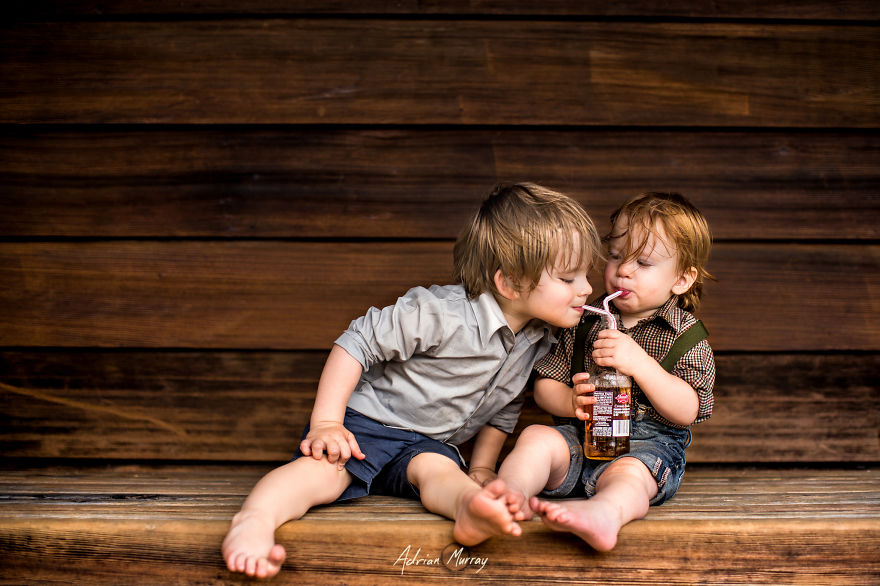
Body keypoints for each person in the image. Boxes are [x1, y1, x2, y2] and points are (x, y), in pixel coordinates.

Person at [221, 182, 602, 578]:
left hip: (428, 443)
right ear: (509, 283)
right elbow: (357, 343)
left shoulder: (536, 340)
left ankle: (470, 510)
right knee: (322, 475)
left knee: (441, 474)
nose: (587, 289)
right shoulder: (441, 313)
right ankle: (255, 521)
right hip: (368, 426)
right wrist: (327, 423)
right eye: (568, 278)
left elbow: (504, 407)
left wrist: (483, 467)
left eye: (585, 275)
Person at [486, 191, 716, 552]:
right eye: (615, 256)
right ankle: (509, 496)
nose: (623, 269)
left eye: (643, 262)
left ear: (682, 280)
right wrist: (570, 400)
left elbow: (688, 410)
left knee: (631, 475)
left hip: (645, 448)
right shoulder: (583, 322)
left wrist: (640, 363)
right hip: (580, 441)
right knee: (536, 437)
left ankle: (605, 513)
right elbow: (545, 385)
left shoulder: (685, 336)